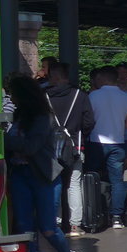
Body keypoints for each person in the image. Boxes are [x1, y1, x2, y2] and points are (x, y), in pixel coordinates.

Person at [4, 74, 79, 252]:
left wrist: (2, 139)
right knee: (24, 227)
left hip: (43, 176)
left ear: (24, 95)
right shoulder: (18, 116)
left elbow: (30, 147)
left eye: (14, 94)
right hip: (20, 174)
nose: (12, 99)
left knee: (47, 227)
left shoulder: (42, 118)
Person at [46, 62, 95, 236]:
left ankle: (55, 222)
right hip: (75, 146)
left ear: (56, 77)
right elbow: (89, 122)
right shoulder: (80, 95)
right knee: (74, 184)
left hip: (50, 148)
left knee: (54, 183)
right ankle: (75, 225)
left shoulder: (44, 96)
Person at [87, 65, 127, 229]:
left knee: (91, 178)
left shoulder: (93, 96)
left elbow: (87, 120)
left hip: (96, 143)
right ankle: (116, 217)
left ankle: (92, 214)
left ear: (102, 79)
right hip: (118, 144)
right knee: (117, 182)